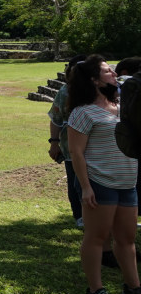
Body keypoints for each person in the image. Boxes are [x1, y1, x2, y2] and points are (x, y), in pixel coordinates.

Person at [67, 54, 141, 294]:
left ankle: (133, 286)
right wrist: (86, 187)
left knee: (127, 238)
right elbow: (76, 153)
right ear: (94, 80)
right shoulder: (83, 112)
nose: (113, 73)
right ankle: (95, 290)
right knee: (97, 238)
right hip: (100, 183)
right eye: (107, 70)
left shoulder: (122, 106)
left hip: (127, 183)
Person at [49, 55, 86, 228]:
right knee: (75, 181)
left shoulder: (100, 89)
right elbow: (56, 119)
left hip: (95, 147)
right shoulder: (65, 92)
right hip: (70, 145)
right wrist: (54, 143)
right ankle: (80, 216)